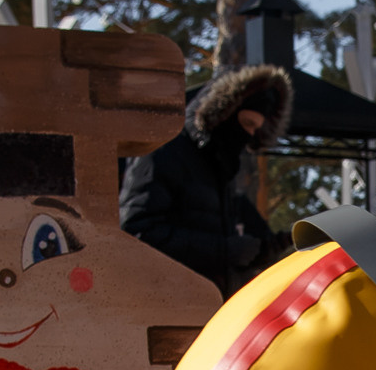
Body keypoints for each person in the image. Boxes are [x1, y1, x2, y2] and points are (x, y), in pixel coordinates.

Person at [120, 64, 292, 297]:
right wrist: (225, 250)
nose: (249, 135)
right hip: (167, 306)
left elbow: (220, 246)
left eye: (256, 130)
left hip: (213, 310)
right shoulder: (164, 151)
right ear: (225, 113)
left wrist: (266, 250)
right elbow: (135, 232)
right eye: (247, 123)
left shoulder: (221, 170)